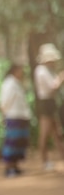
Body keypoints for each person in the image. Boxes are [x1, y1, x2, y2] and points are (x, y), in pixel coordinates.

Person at [33, 43, 64, 171]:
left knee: (57, 133)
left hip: (50, 103)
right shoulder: (41, 71)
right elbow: (52, 88)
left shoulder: (48, 71)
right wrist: (61, 77)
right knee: (45, 133)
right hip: (45, 103)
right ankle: (44, 161)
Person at [0, 63, 31, 177]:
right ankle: (8, 168)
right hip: (13, 116)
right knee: (12, 142)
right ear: (15, 71)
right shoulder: (9, 83)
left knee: (20, 142)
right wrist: (3, 115)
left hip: (21, 116)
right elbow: (4, 102)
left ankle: (15, 166)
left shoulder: (17, 83)